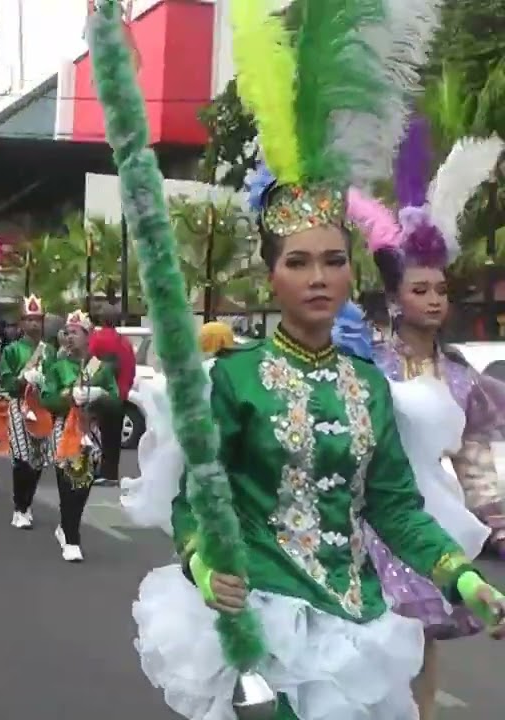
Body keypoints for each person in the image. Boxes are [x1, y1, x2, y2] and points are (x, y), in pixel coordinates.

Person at [81, 0, 505, 716]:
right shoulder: (233, 380)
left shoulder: (369, 385)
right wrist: (203, 562)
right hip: (262, 618)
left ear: (352, 275)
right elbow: (194, 497)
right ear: (271, 276)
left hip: (356, 623)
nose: (318, 277)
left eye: (333, 261)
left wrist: (460, 575)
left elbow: (396, 504)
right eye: (300, 262)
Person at [349, 118, 505, 718]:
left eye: (441, 289)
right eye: (421, 290)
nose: (435, 299)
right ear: (395, 299)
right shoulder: (368, 365)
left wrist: (494, 521)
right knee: (371, 644)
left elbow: (477, 462)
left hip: (433, 516)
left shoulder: (465, 376)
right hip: (369, 517)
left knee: (422, 646)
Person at [41, 310, 118, 562]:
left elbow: (116, 400)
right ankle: (72, 538)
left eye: (75, 332)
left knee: (83, 485)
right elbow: (47, 399)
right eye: (67, 332)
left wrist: (98, 394)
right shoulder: (57, 366)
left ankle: (67, 527)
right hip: (64, 428)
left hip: (89, 429)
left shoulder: (100, 367)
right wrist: (65, 397)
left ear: (88, 336)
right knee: (67, 482)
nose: (70, 337)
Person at [0, 295, 54, 529]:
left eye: (37, 320)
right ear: (21, 323)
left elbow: (56, 378)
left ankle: (28, 502)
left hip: (42, 407)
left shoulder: (50, 351)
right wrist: (22, 379)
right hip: (19, 405)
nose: (34, 324)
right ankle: (19, 508)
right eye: (29, 320)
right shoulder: (12, 350)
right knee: (22, 457)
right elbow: (6, 382)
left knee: (38, 459)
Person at [86, 311, 133, 485]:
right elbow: (130, 369)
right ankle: (111, 473)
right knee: (114, 437)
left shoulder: (97, 339)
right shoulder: (125, 342)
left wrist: (86, 383)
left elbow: (90, 363)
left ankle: (98, 470)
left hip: (101, 394)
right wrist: (124, 390)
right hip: (120, 395)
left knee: (99, 435)